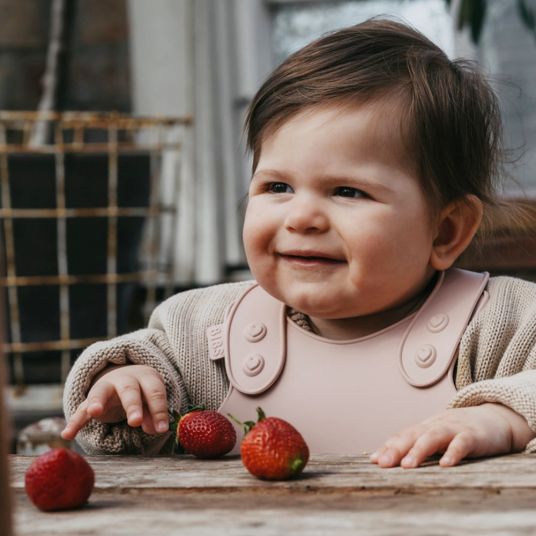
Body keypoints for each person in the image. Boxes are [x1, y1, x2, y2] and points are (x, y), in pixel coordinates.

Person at [61, 18, 536, 468]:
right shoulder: (202, 331)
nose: (302, 217)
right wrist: (123, 386)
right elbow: (126, 391)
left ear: (445, 230)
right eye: (277, 188)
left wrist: (503, 417)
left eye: (348, 191)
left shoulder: (502, 324)